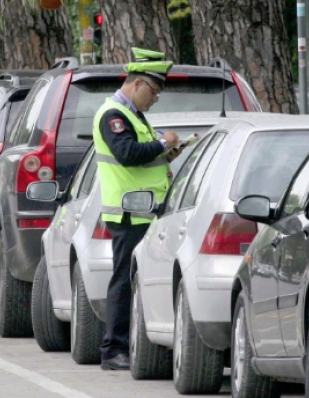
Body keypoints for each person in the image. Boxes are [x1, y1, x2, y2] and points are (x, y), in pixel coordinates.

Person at [92, 48, 182, 371]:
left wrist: (166, 155)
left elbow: (139, 159)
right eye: (154, 92)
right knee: (123, 280)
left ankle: (127, 345)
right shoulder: (113, 115)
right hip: (128, 213)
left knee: (135, 280)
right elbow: (128, 152)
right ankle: (113, 349)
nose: (155, 99)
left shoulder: (131, 114)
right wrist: (162, 143)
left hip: (145, 212)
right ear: (138, 84)